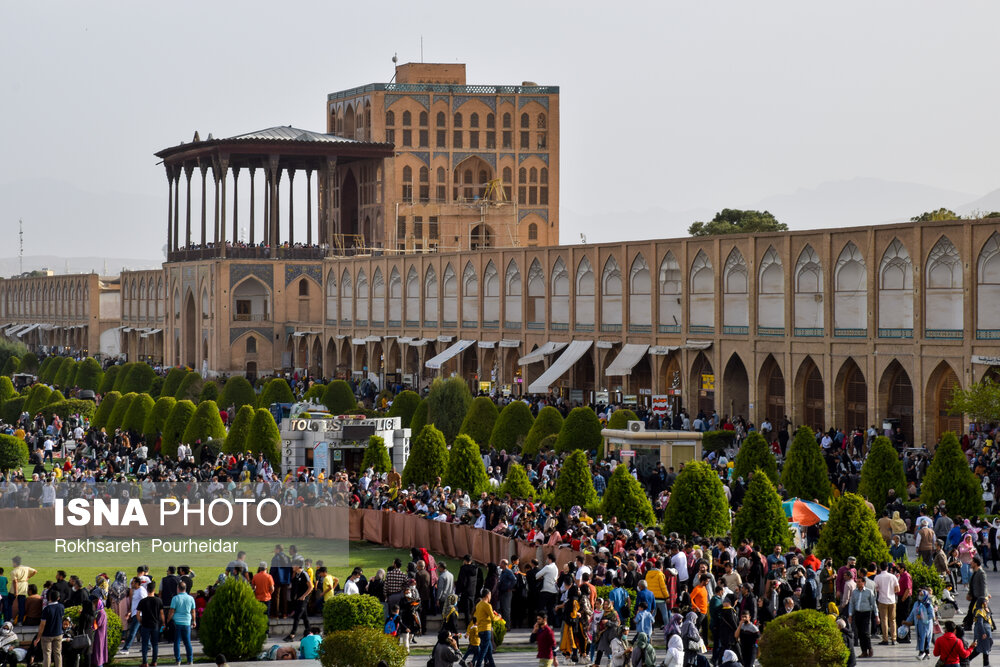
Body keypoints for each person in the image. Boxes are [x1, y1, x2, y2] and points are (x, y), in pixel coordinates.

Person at [283, 560, 313, 642]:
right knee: (304, 617)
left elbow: (311, 587)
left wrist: (304, 596)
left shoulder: (304, 574)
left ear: (298, 566)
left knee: (297, 616)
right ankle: (308, 632)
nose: (292, 567)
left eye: (293, 565)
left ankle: (292, 635)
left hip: (303, 599)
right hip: (298, 598)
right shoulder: (296, 575)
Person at [848, 576, 878, 658]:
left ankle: (869, 648)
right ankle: (864, 651)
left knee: (865, 632)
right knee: (860, 633)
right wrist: (850, 615)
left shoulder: (869, 592)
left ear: (864, 583)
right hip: (858, 614)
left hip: (866, 613)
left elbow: (874, 604)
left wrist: (877, 616)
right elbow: (852, 604)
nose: (858, 583)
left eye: (860, 582)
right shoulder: (854, 592)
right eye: (857, 582)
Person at [166, 582, 195, 665]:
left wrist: (168, 620)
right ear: (185, 588)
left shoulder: (175, 598)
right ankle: (190, 659)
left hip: (177, 622)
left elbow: (172, 611)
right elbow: (193, 611)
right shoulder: (190, 598)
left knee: (177, 642)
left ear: (178, 588)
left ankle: (178, 660)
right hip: (187, 622)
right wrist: (194, 621)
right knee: (187, 642)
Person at [135, 583, 163, 667]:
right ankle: (154, 661)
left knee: (144, 644)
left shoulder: (143, 601)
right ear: (154, 590)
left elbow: (138, 613)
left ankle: (145, 662)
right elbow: (162, 614)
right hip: (155, 625)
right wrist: (163, 623)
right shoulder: (158, 600)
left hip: (145, 624)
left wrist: (140, 622)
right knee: (155, 644)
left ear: (147, 590)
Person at [34, 589, 63, 667]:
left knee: (47, 654)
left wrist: (38, 637)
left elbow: (42, 625)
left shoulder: (46, 609)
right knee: (58, 653)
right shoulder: (61, 607)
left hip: (47, 634)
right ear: (58, 598)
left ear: (49, 598)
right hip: (58, 633)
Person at [904, 588, 936, 660]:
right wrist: (906, 623)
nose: (920, 596)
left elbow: (932, 615)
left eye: (921, 595)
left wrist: (922, 617)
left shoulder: (928, 605)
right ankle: (925, 653)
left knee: (925, 638)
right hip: (919, 625)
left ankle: (923, 652)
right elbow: (912, 614)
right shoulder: (916, 604)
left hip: (926, 625)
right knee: (920, 638)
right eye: (919, 595)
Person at [474, 590, 499, 667]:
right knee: (483, 651)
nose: (490, 597)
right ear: (488, 595)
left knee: (488, 651)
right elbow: (493, 618)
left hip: (480, 629)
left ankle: (492, 665)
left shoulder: (478, 604)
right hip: (486, 629)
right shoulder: (487, 605)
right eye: (490, 595)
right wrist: (499, 617)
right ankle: (478, 665)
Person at [968, 600, 993, 666]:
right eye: (985, 602)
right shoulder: (980, 611)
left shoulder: (985, 609)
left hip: (986, 631)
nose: (987, 603)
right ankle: (968, 660)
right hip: (983, 631)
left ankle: (986, 663)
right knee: (980, 647)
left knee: (985, 647)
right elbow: (980, 623)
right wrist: (983, 632)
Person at [91, 599, 107, 667]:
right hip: (100, 634)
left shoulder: (101, 613)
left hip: (100, 635)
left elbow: (98, 624)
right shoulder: (100, 612)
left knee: (99, 651)